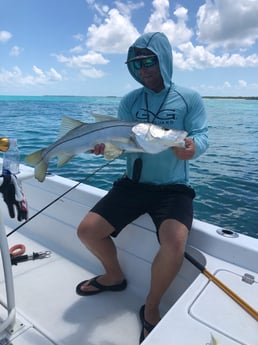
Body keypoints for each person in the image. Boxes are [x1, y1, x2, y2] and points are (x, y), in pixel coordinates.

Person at [76, 32, 208, 343]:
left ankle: (150, 307)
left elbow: (202, 134)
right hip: (133, 184)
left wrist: (192, 147)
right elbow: (119, 146)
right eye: (136, 63)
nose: (143, 68)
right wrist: (103, 147)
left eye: (149, 60)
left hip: (174, 186)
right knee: (87, 231)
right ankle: (114, 277)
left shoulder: (189, 98)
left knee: (174, 244)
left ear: (163, 59)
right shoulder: (130, 101)